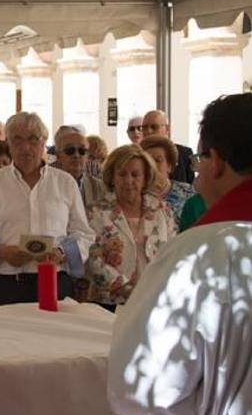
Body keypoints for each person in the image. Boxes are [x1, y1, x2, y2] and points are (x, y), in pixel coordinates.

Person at [108, 93, 252, 415]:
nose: (198, 177)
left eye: (201, 160)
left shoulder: (194, 253)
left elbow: (139, 386)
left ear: (216, 161)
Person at [0, 112, 94, 305]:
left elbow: (83, 233)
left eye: (33, 139)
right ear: (8, 144)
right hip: (6, 285)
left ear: (44, 142)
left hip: (55, 283)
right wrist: (0, 251)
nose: (25, 147)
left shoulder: (65, 182)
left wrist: (61, 253)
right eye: (17, 140)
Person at [82, 144, 176, 308]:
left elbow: (174, 253)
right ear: (112, 177)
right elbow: (91, 259)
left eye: (135, 175)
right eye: (122, 174)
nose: (129, 181)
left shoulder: (163, 211)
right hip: (109, 303)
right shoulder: (95, 213)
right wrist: (125, 288)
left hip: (155, 301)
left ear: (145, 178)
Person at [140, 135, 195, 226]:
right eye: (146, 160)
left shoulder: (188, 193)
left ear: (169, 166)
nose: (151, 165)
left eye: (157, 160)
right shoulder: (134, 194)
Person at [51, 131, 107, 208]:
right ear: (58, 155)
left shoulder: (99, 188)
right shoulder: (47, 184)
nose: (76, 155)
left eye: (82, 151)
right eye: (70, 150)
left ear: (87, 156)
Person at [141, 110, 194, 183]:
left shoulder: (184, 153)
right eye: (144, 127)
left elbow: (192, 186)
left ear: (167, 129)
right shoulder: (137, 154)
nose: (148, 131)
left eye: (154, 127)